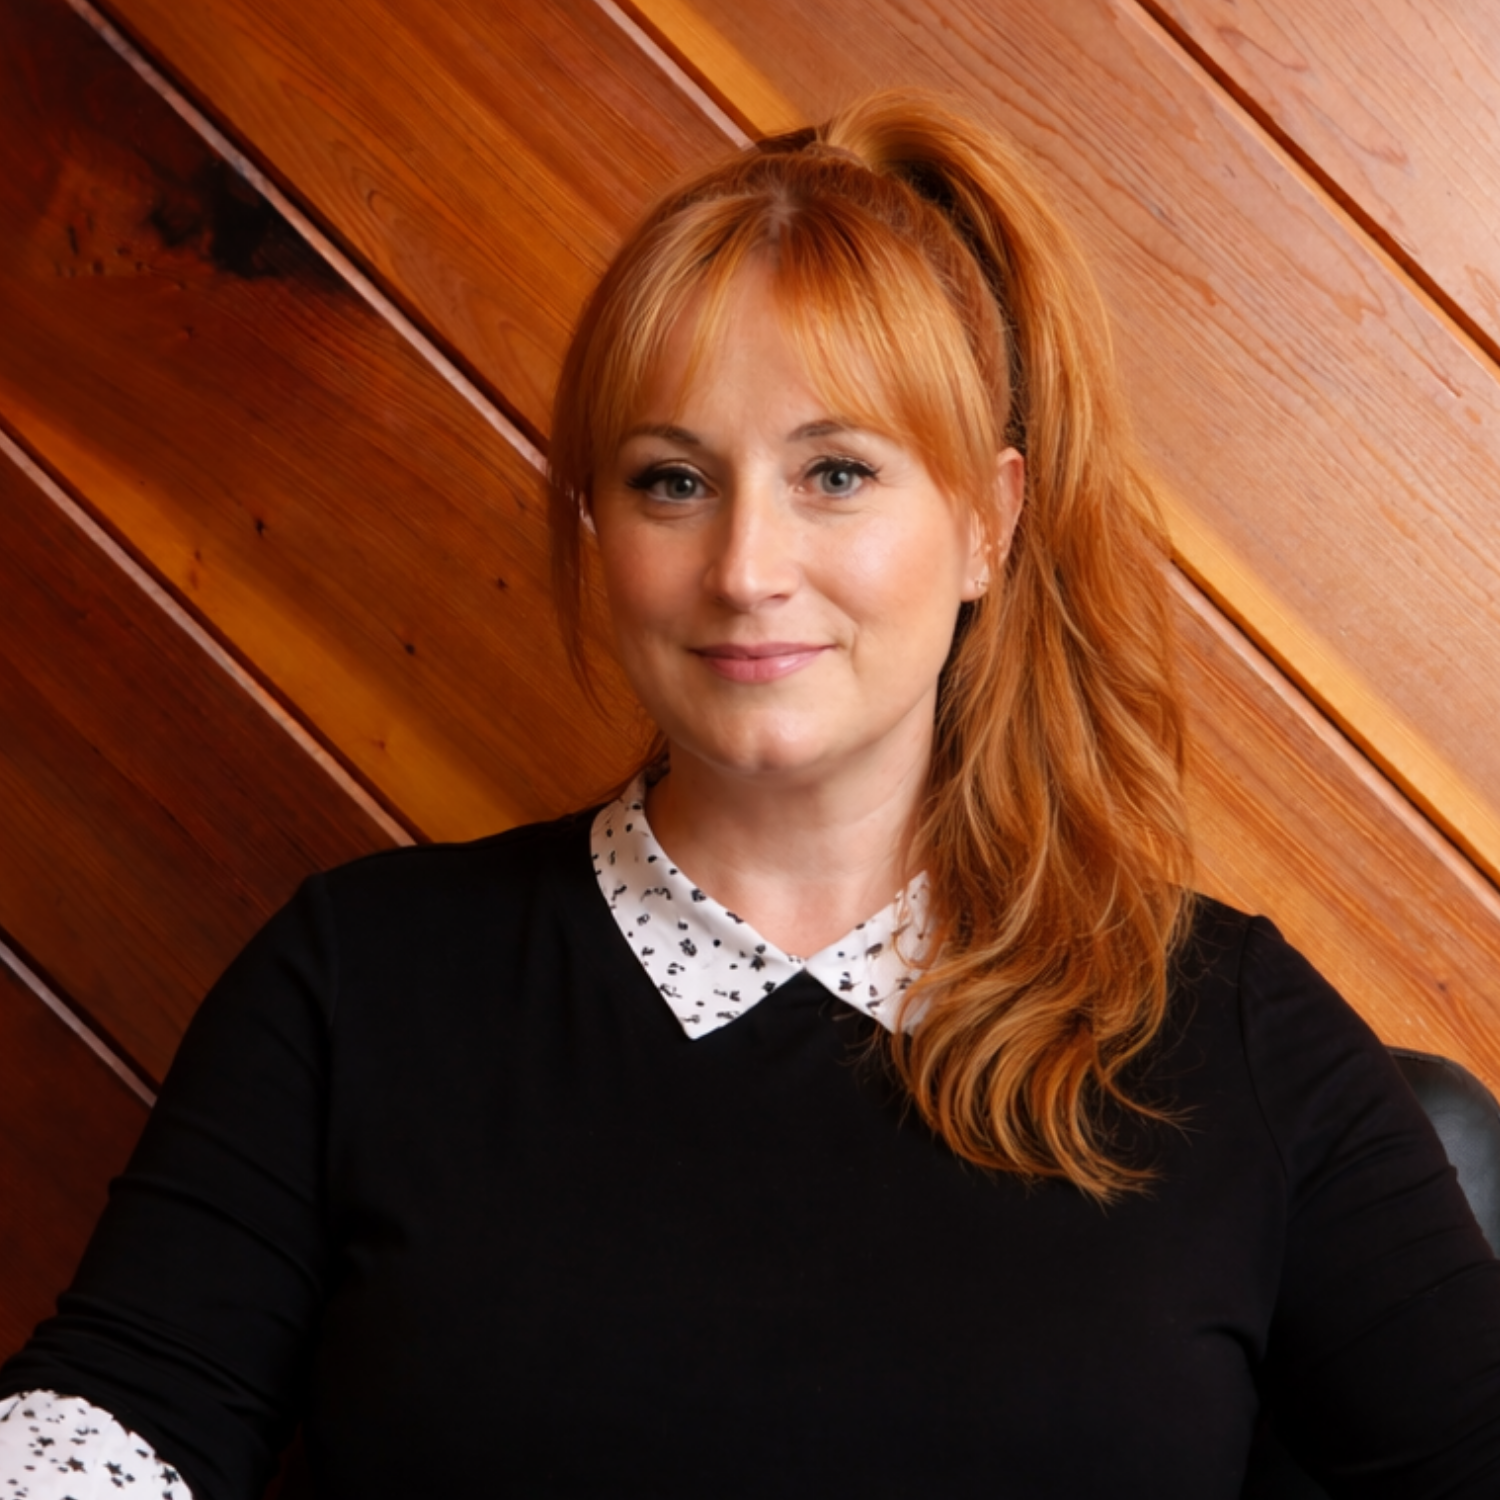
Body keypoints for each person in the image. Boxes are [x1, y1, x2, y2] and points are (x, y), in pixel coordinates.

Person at [3, 90, 1499, 1499]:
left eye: (836, 474)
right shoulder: (358, 980)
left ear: (988, 523)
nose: (744, 569)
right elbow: (116, 1415)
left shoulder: (1227, 1031)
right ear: (598, 527)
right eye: (673, 480)